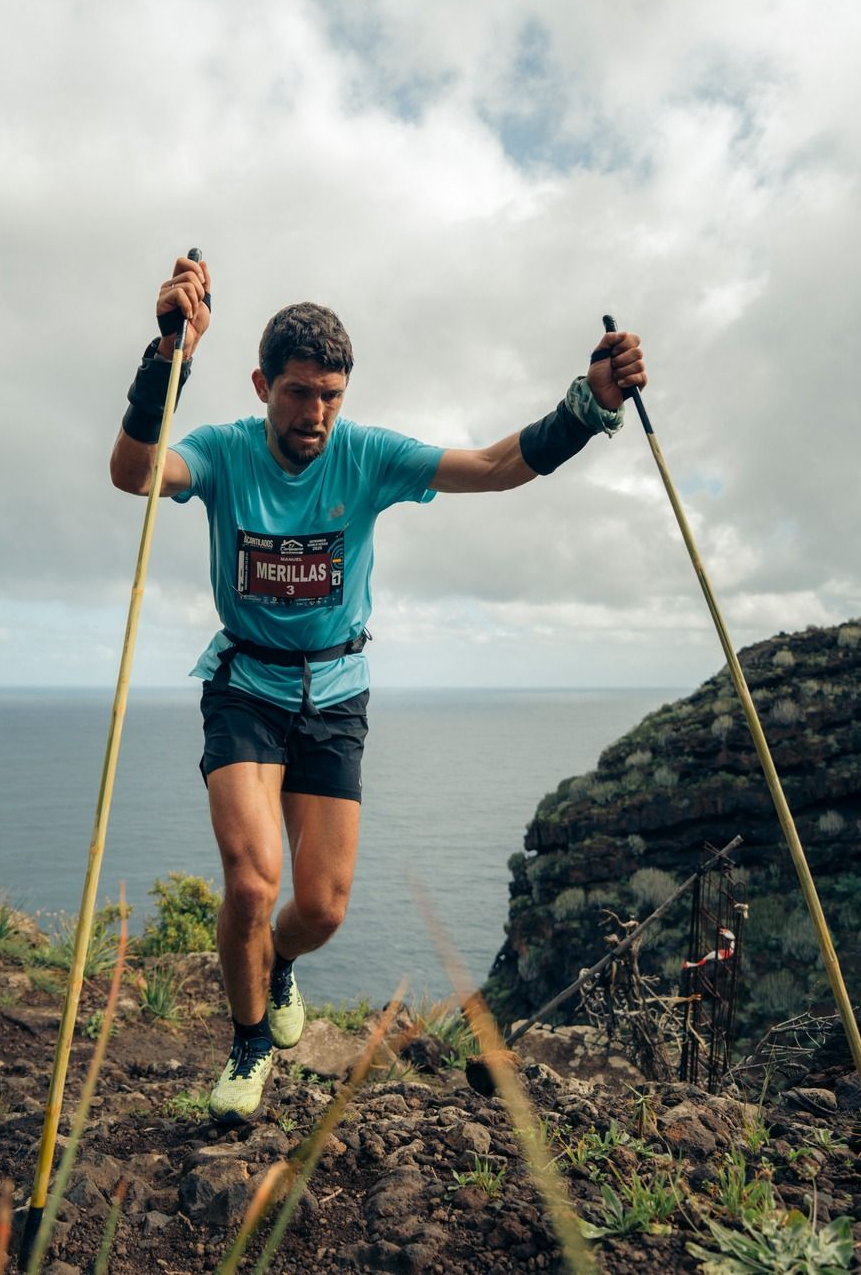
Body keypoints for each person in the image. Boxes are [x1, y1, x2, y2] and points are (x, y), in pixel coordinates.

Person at [108, 254, 648, 1121]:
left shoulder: (365, 455)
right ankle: (249, 1044)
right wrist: (165, 358)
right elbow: (136, 474)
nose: (313, 412)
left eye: (330, 394)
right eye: (295, 392)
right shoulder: (222, 452)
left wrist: (588, 407)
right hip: (245, 686)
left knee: (318, 908)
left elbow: (497, 466)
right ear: (260, 385)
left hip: (334, 695)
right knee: (252, 882)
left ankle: (279, 965)